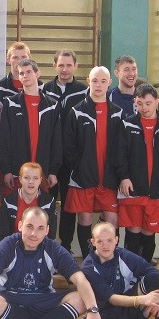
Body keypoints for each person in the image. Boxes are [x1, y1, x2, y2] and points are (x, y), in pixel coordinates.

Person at [0, 207, 101, 319]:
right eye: (29, 227)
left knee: (82, 299)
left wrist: (93, 311)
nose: (34, 234)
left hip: (43, 300)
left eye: (40, 228)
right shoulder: (7, 246)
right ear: (20, 226)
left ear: (47, 230)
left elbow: (80, 280)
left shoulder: (53, 248)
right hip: (13, 300)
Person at [62, 66, 123, 258]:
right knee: (85, 217)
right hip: (83, 177)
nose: (99, 85)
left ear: (109, 83)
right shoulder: (77, 111)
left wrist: (118, 172)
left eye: (103, 81)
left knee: (112, 219)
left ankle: (111, 260)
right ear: (89, 81)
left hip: (109, 178)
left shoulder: (118, 113)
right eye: (95, 81)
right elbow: (68, 144)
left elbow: (122, 147)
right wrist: (79, 166)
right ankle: (89, 260)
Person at [116, 84, 159, 262]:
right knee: (133, 228)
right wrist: (124, 177)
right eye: (140, 103)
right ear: (135, 102)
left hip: (157, 187)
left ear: (157, 102)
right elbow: (119, 154)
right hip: (133, 188)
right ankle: (129, 268)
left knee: (149, 230)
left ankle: (145, 267)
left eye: (148, 103)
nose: (144, 108)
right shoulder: (127, 124)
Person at [41, 49, 88, 255]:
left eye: (69, 65)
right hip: (50, 157)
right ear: (54, 66)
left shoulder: (84, 91)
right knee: (47, 203)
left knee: (69, 205)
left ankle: (66, 247)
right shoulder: (44, 89)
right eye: (61, 65)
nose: (65, 69)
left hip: (72, 159)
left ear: (76, 66)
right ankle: (47, 243)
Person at [0, 58, 61, 194]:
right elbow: (4, 139)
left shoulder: (52, 105)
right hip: (16, 172)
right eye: (21, 73)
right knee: (16, 207)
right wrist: (6, 170)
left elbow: (56, 141)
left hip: (41, 173)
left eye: (28, 72)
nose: (25, 76)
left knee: (39, 207)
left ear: (37, 74)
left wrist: (53, 171)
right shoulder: (10, 103)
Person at [0, 161, 57, 240]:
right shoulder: (8, 201)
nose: (31, 182)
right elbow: (1, 234)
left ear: (40, 180)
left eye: (35, 178)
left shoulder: (49, 202)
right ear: (20, 179)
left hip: (39, 245)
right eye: (26, 178)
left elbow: (51, 236)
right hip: (13, 245)